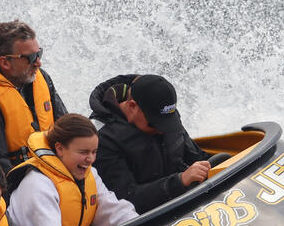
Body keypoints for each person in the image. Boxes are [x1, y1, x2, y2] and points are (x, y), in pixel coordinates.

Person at [8, 113, 138, 226]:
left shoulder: (90, 175)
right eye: (84, 152)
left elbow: (113, 212)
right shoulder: (38, 183)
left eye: (94, 152)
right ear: (60, 149)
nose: (91, 159)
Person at [88, 74, 211, 214]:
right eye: (155, 124)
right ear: (132, 106)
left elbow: (200, 158)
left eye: (167, 124)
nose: (161, 130)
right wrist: (180, 181)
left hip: (186, 204)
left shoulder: (163, 113)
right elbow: (124, 200)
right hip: (145, 221)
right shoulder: (99, 139)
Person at [0, 18, 67, 172]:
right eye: (30, 58)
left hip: (55, 168)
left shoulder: (41, 78)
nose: (38, 63)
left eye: (39, 54)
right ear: (5, 62)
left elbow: (68, 130)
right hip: (20, 178)